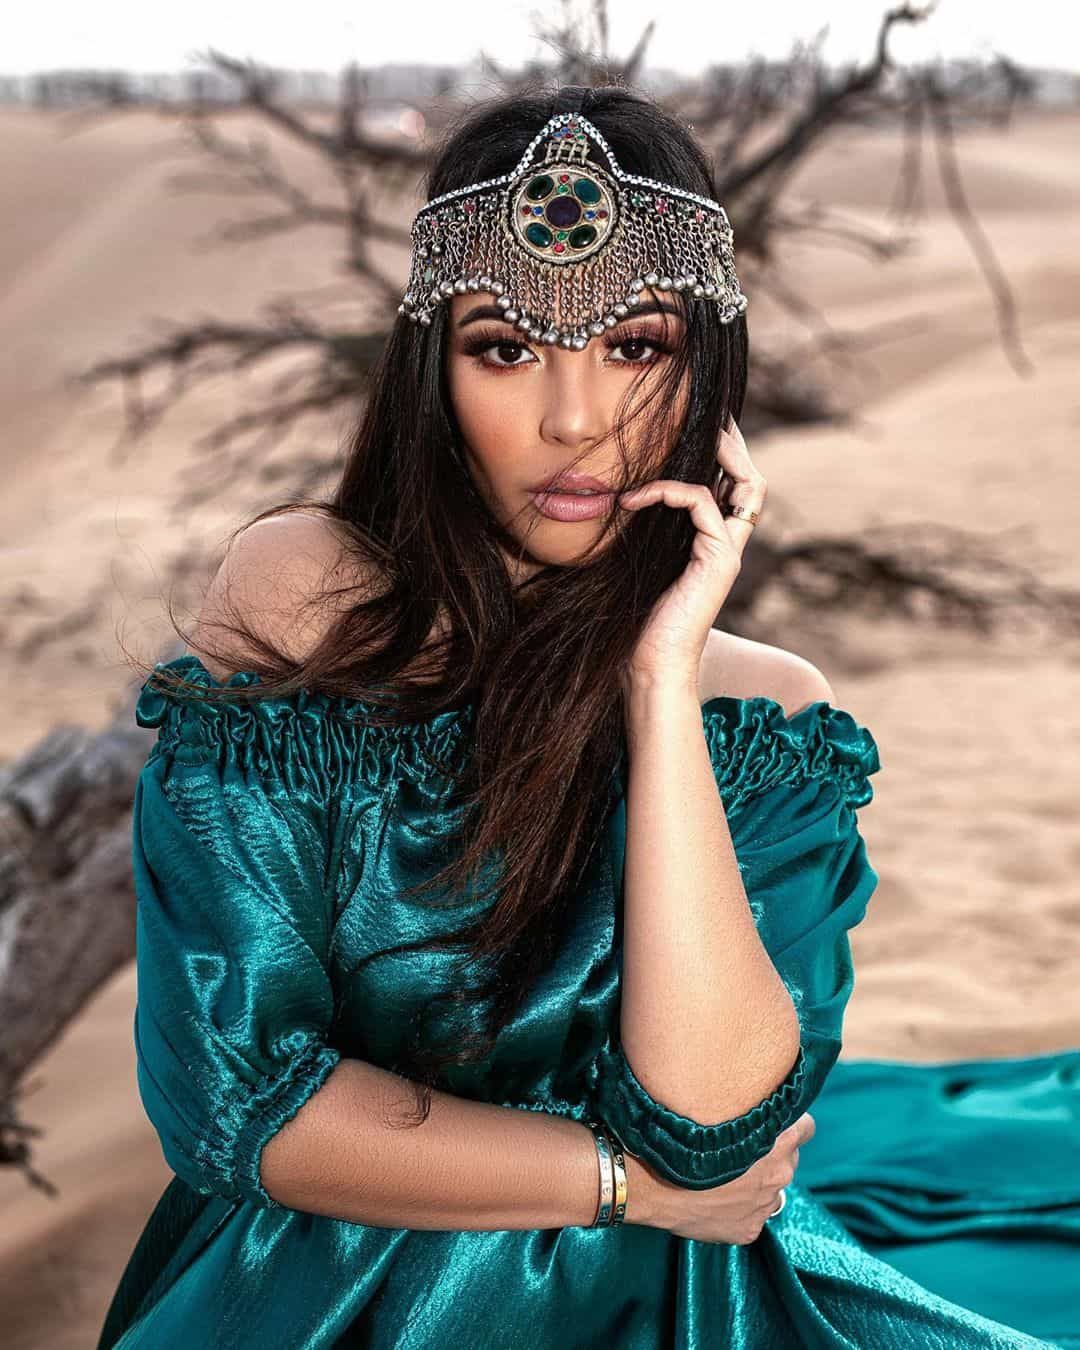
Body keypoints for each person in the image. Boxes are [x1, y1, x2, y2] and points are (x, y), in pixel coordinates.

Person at [97, 86, 1079, 1349]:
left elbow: (714, 1127)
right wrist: (628, 1184)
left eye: (637, 347)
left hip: (686, 1306)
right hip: (324, 1294)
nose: (575, 421)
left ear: (705, 372)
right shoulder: (312, 596)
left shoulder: (765, 710)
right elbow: (233, 1100)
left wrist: (660, 686)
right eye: (506, 348)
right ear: (432, 370)